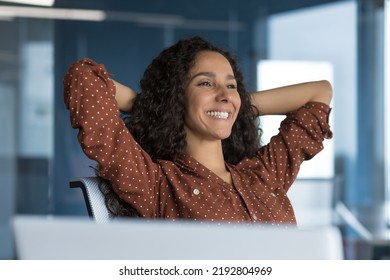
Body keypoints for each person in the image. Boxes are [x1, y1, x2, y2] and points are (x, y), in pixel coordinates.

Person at [63, 36, 332, 225]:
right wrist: (158, 105)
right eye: (205, 84)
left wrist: (236, 107)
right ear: (175, 97)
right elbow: (83, 78)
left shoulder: (264, 174)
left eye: (231, 85)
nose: (224, 94)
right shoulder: (155, 184)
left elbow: (320, 92)